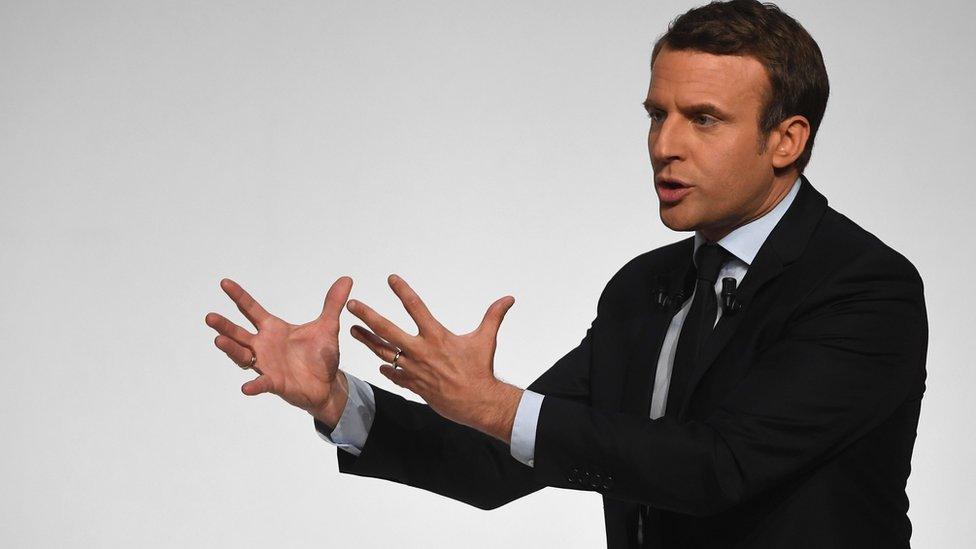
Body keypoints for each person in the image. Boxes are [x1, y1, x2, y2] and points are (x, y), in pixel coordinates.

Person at [204, 1, 928, 547]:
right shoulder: (645, 288)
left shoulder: (864, 289)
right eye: (656, 113)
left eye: (703, 118)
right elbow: (493, 465)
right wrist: (335, 400)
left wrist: (494, 403)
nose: (664, 145)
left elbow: (718, 467)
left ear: (786, 139)